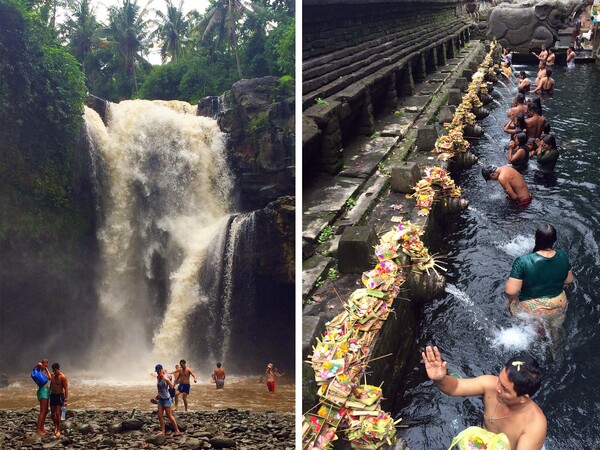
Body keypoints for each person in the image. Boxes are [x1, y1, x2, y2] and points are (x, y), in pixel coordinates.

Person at [422, 346, 547, 450]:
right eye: (499, 380)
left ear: (524, 398)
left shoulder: (534, 426)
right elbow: (455, 387)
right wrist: (440, 379)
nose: (497, 388)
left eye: (505, 389)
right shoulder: (491, 385)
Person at [505, 224, 573, 333]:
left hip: (533, 307)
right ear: (555, 240)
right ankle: (554, 340)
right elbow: (569, 281)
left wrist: (511, 301)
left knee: (510, 305)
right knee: (553, 328)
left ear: (535, 239)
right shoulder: (563, 255)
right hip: (558, 303)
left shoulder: (522, 261)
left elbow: (510, 291)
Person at [154, 364, 181, 436]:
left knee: (169, 415)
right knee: (160, 415)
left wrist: (167, 380)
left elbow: (172, 386)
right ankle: (163, 431)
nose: (158, 372)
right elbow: (159, 389)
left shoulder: (166, 377)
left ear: (162, 370)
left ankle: (177, 430)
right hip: (160, 399)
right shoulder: (157, 377)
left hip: (166, 399)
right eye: (157, 371)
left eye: (159, 370)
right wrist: (157, 396)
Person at [49, 363, 68, 437]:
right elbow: (51, 385)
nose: (54, 372)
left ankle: (58, 429)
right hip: (53, 396)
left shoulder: (63, 377)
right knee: (52, 415)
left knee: (58, 413)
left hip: (60, 396)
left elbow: (66, 388)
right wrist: (49, 393)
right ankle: (56, 426)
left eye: (55, 370)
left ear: (59, 369)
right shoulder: (53, 375)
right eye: (53, 370)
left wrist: (66, 400)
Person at [35, 359, 52, 435]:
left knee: (45, 411)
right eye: (45, 365)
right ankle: (38, 429)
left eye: (47, 365)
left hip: (45, 390)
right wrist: (42, 365)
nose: (46, 366)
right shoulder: (38, 369)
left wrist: (46, 369)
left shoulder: (42, 373)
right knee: (42, 411)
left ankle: (42, 427)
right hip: (43, 391)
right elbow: (38, 364)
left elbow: (50, 378)